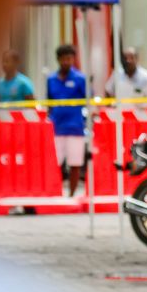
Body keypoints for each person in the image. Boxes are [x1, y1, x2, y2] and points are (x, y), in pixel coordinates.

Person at [46, 44, 88, 197]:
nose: (66, 62)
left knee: (75, 163)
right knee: (55, 163)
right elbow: (49, 101)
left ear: (73, 59)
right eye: (63, 59)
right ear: (58, 59)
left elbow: (87, 100)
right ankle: (56, 193)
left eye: (69, 58)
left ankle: (71, 194)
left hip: (75, 127)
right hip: (56, 126)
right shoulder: (51, 79)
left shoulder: (80, 79)